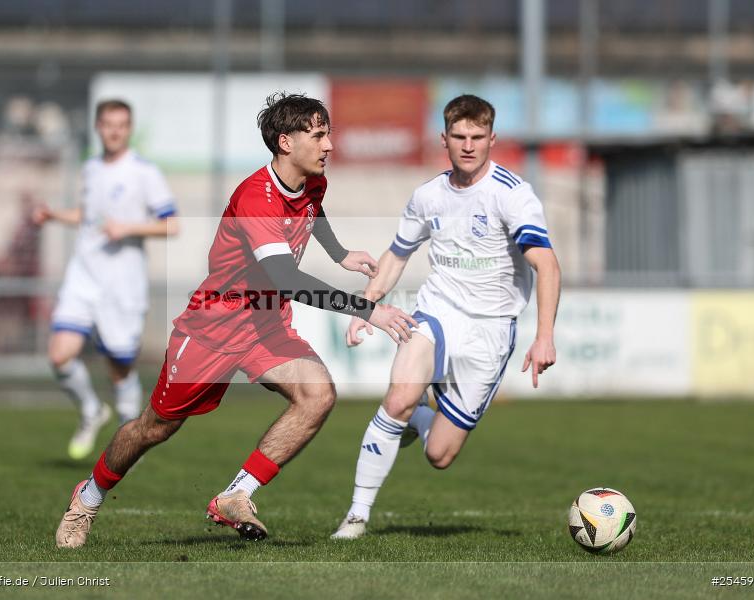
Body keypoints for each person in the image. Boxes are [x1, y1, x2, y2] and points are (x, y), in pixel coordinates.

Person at [55, 92, 417, 548]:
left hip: (265, 325)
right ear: (285, 141)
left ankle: (236, 494)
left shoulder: (313, 180)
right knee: (156, 426)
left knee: (318, 394)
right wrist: (369, 309)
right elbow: (286, 277)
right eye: (319, 135)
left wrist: (340, 254)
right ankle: (86, 498)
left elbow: (312, 213)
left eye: (329, 133)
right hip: (213, 328)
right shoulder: (254, 197)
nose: (329, 145)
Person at [331, 94, 562, 539]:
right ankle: (357, 515)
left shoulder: (512, 196)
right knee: (396, 397)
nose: (469, 145)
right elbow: (398, 255)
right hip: (437, 312)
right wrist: (367, 304)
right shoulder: (428, 196)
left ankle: (419, 418)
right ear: (445, 139)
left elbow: (546, 265)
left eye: (478, 137)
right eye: (459, 136)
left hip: (489, 332)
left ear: (493, 139)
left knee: (439, 453)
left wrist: (545, 336)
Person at [32, 99, 179, 460]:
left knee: (119, 367)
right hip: (83, 276)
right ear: (98, 127)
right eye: (108, 124)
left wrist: (128, 227)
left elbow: (171, 224)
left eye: (121, 125)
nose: (114, 131)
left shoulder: (144, 173)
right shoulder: (91, 168)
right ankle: (90, 410)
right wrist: (55, 216)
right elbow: (89, 215)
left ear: (129, 129)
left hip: (122, 285)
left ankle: (130, 441)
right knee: (59, 355)